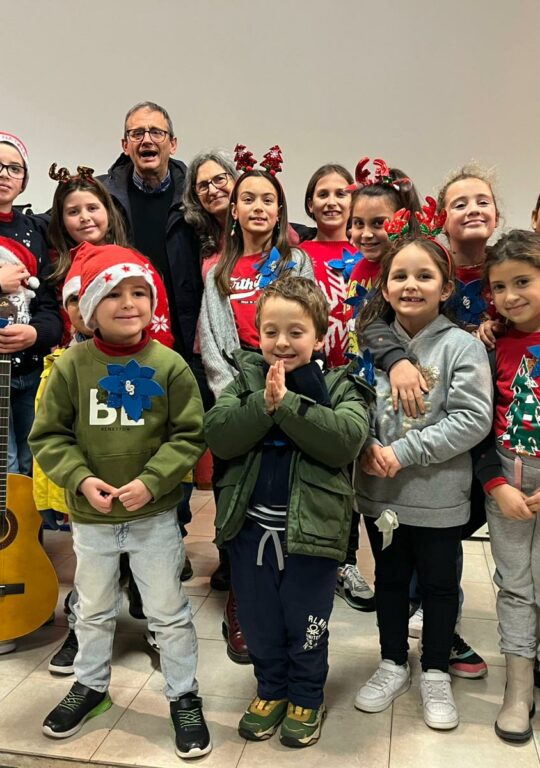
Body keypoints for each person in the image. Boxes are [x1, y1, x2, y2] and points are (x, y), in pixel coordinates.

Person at [28, 244, 211, 759]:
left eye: (139, 292)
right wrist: (81, 480)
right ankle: (90, 686)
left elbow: (188, 435)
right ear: (89, 307)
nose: (129, 302)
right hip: (92, 519)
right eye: (113, 293)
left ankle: (183, 693)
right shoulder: (71, 366)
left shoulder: (170, 366)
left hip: (153, 518)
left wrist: (153, 481)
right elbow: (49, 437)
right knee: (91, 610)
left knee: (168, 612)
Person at [204, 276, 371, 747]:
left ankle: (306, 694)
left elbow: (344, 441)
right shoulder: (244, 381)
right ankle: (271, 688)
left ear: (319, 337)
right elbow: (220, 434)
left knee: (307, 622)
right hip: (249, 532)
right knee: (258, 620)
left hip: (312, 538)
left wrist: (288, 404)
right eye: (271, 331)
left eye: (296, 332)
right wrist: (263, 403)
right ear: (256, 334)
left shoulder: (343, 383)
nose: (282, 342)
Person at [354, 219, 492, 730]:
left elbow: (473, 418)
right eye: (399, 277)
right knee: (388, 581)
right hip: (379, 493)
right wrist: (365, 442)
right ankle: (392, 662)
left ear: (446, 287)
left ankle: (435, 668)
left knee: (437, 585)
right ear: (384, 286)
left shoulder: (461, 346)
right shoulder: (370, 345)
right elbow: (353, 400)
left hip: (438, 496)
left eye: (424, 276)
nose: (410, 286)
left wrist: (405, 451)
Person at [337, 158, 422, 614]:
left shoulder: (411, 268)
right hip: (367, 397)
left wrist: (394, 360)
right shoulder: (358, 272)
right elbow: (359, 328)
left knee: (411, 506)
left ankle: (423, 598)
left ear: (403, 220)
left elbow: (380, 326)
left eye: (378, 223)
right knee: (376, 500)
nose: (366, 234)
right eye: (357, 224)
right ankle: (396, 594)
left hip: (406, 404)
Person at [477, 230, 540, 743]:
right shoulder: (491, 343)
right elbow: (478, 423)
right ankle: (518, 687)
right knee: (516, 586)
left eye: (523, 281)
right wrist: (497, 484)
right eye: (499, 287)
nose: (510, 295)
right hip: (507, 484)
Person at [47, 164, 174, 349]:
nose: (84, 217)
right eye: (73, 212)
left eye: (92, 208)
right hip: (75, 367)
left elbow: (159, 329)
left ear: (108, 211)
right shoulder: (55, 270)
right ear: (61, 220)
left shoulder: (135, 265)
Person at [0, 132, 63, 476]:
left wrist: (35, 333)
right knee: (4, 465)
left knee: (30, 463)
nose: (4, 174)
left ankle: (24, 532)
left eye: (14, 168)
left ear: (24, 181)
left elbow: (50, 307)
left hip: (28, 372)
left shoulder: (33, 231)